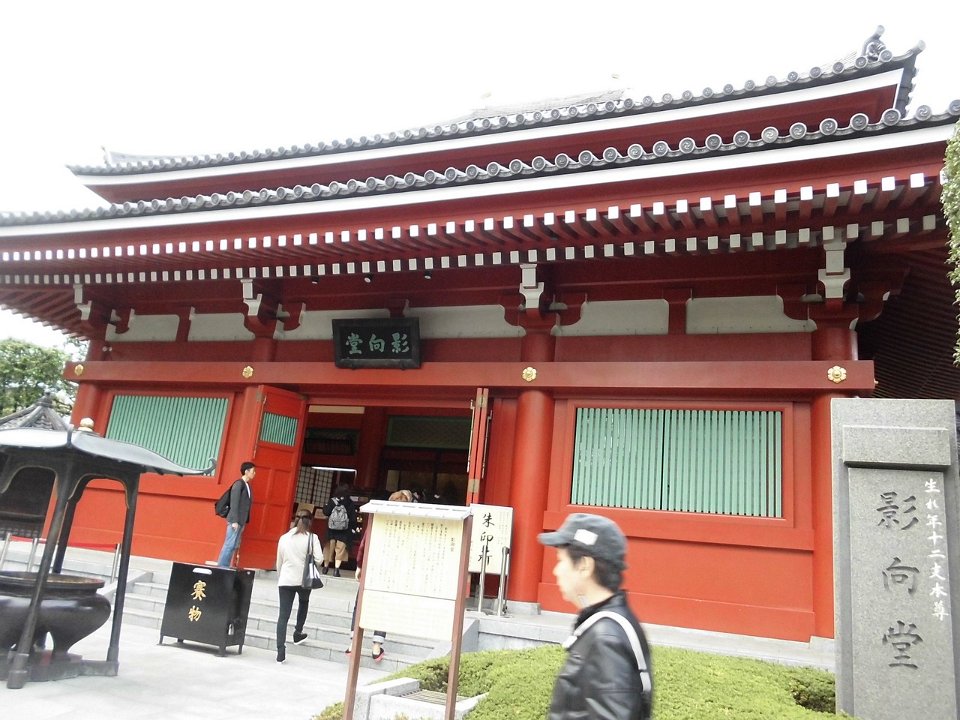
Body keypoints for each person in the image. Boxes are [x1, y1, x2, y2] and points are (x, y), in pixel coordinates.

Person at [538, 513, 653, 720]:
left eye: (561, 561)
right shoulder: (606, 626)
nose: (556, 571)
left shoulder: (606, 638)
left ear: (584, 565)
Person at [347, 489, 412, 661]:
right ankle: (376, 646)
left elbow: (364, 544)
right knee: (384, 606)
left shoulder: (378, 519)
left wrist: (359, 565)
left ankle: (353, 644)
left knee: (360, 604)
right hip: (390, 571)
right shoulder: (407, 524)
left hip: (372, 567)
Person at [274, 509, 323, 663]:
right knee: (304, 602)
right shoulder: (312, 538)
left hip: (286, 579)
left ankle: (280, 651)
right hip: (304, 579)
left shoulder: (284, 538)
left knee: (283, 616)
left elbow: (279, 561)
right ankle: (298, 632)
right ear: (310, 521)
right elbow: (320, 559)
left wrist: (281, 576)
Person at [216, 461, 255, 567]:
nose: (254, 473)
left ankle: (226, 565)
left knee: (233, 545)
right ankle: (222, 567)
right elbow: (234, 502)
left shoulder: (247, 485)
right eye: (253, 471)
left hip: (241, 520)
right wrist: (234, 521)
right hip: (235, 520)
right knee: (229, 544)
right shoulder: (238, 484)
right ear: (246, 471)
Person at [321, 483, 358, 577]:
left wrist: (326, 506)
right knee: (340, 549)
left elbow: (326, 512)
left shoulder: (332, 501)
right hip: (344, 531)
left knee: (328, 548)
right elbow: (353, 518)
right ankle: (336, 570)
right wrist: (353, 528)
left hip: (331, 530)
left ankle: (325, 567)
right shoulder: (350, 503)